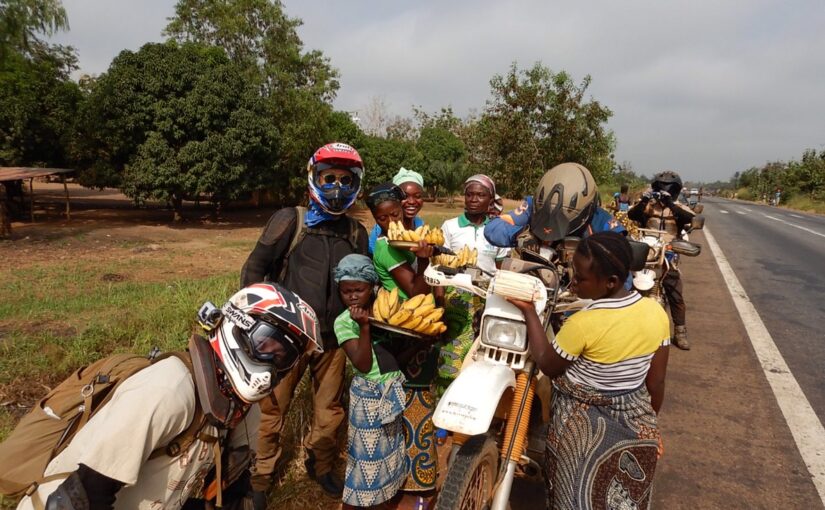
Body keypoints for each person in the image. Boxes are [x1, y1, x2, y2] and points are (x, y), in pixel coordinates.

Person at [14, 284, 321, 510]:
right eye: (266, 345)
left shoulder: (241, 410)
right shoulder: (169, 389)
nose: (271, 363)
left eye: (284, 356)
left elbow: (229, 489)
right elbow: (79, 497)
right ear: (238, 326)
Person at [240, 142, 369, 497]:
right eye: (329, 178)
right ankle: (261, 477)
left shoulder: (356, 233)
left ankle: (320, 465)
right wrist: (253, 322)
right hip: (286, 338)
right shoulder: (291, 220)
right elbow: (254, 267)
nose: (337, 186)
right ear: (314, 177)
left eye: (345, 179)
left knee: (329, 410)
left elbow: (362, 279)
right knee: (271, 410)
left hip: (333, 340)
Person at [508, 232, 669, 510]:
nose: (573, 282)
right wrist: (650, 430)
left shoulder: (583, 324)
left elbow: (547, 363)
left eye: (580, 278)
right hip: (634, 422)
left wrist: (529, 311)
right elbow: (655, 383)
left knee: (572, 496)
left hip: (582, 428)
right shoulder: (656, 313)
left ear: (611, 282)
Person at [365, 183, 440, 498]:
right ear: (376, 220)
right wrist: (424, 263)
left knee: (420, 405)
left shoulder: (407, 240)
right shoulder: (386, 247)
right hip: (401, 335)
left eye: (395, 214)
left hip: (419, 329)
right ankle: (404, 482)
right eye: (383, 219)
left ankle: (419, 476)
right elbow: (416, 291)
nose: (391, 222)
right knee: (405, 406)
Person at [332, 255, 407, 509]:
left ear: (372, 287)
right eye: (346, 291)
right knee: (364, 465)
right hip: (368, 399)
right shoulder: (343, 322)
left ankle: (382, 501)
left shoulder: (385, 310)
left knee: (388, 459)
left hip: (390, 390)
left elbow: (392, 354)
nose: (353, 296)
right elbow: (363, 364)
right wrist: (364, 327)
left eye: (359, 289)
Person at [484, 163, 625, 259]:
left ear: (586, 209)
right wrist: (521, 235)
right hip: (535, 281)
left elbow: (624, 253)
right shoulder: (531, 206)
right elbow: (493, 228)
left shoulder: (600, 219)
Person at [627, 170, 695, 350]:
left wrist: (670, 204)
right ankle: (626, 324)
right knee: (629, 285)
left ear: (676, 191)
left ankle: (680, 332)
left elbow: (690, 219)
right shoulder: (648, 206)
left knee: (675, 290)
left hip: (668, 253)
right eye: (661, 188)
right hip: (647, 251)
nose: (664, 191)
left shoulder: (679, 207)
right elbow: (632, 215)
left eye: (669, 189)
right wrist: (644, 199)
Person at [441, 175, 510, 277]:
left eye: (481, 195)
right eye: (469, 195)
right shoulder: (450, 226)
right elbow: (441, 265)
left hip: (487, 290)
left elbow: (501, 270)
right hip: (454, 289)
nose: (473, 199)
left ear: (490, 200)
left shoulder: (498, 231)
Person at [368, 168, 425, 255]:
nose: (412, 201)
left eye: (417, 196)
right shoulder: (381, 229)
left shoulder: (420, 224)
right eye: (405, 196)